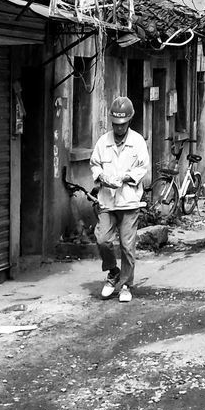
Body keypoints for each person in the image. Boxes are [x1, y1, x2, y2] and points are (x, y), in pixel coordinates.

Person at [90, 95, 149, 303]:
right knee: (102, 240)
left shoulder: (138, 142)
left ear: (129, 122)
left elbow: (143, 167)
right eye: (116, 124)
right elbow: (94, 164)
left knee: (126, 244)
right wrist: (102, 177)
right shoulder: (103, 142)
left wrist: (126, 177)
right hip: (107, 199)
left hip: (129, 200)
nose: (119, 128)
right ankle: (113, 271)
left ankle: (125, 284)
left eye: (123, 124)